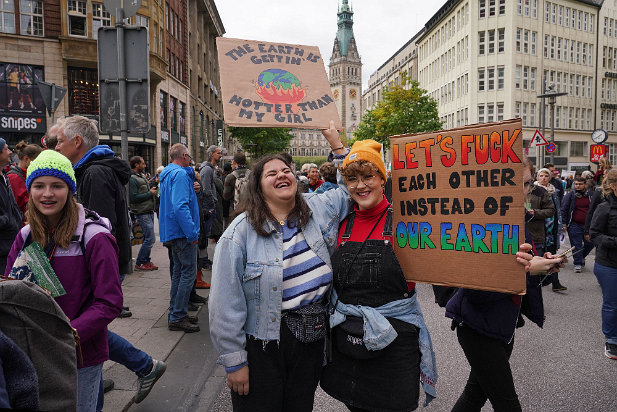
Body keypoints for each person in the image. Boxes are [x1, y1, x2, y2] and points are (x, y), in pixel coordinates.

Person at [209, 126, 350, 411]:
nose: (281, 175)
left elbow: (353, 187)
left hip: (311, 338)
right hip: (263, 343)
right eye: (271, 173)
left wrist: (336, 143)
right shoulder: (239, 233)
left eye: (285, 170)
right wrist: (235, 361)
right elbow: (225, 302)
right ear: (258, 186)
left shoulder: (317, 208)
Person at [319, 139, 438, 412]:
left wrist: (512, 262)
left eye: (368, 176)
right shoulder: (339, 224)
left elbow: (456, 261)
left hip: (395, 346)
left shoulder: (409, 223)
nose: (360, 185)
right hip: (348, 341)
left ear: (382, 179)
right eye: (352, 179)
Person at [54, 116, 166, 406]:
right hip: (102, 265)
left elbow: (97, 229)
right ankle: (138, 369)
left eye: (60, 141)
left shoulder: (93, 174)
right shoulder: (95, 169)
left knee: (89, 329)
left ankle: (143, 366)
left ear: (77, 142)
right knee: (91, 330)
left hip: (96, 268)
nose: (57, 146)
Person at [4, 150, 123, 411]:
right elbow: (10, 290)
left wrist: (69, 334)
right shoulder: (25, 235)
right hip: (32, 353)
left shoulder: (94, 237)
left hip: (79, 357)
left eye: (57, 185)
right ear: (30, 189)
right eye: (39, 186)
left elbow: (109, 302)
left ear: (69, 190)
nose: (47, 194)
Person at [446, 157, 566, 412]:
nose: (521, 190)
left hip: (502, 324)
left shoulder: (518, 219)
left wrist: (544, 266)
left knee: (474, 396)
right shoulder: (479, 223)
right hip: (478, 327)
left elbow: (525, 270)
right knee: (507, 405)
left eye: (525, 183)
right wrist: (524, 269)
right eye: (512, 183)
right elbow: (476, 291)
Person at [159, 143, 201, 333]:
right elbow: (180, 206)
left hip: (173, 231)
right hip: (183, 232)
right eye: (189, 157)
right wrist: (191, 232)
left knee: (178, 273)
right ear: (184, 155)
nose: (190, 160)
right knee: (187, 274)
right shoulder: (180, 175)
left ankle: (176, 313)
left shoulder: (168, 173)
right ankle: (177, 316)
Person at [589, 169, 617, 360]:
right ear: (614, 186)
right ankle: (612, 340)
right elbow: (594, 235)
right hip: (609, 264)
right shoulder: (604, 207)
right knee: (612, 304)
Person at [535, 167, 566, 291]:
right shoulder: (533, 191)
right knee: (540, 255)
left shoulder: (554, 191)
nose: (543, 178)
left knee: (553, 255)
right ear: (537, 178)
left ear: (550, 178)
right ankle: (538, 281)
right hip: (539, 228)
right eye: (541, 176)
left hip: (552, 227)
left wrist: (561, 224)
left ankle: (555, 282)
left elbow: (558, 210)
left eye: (546, 176)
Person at [129, 156, 158, 271]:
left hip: (148, 211)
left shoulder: (140, 176)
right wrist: (150, 193)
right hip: (142, 212)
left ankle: (146, 260)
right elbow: (133, 197)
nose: (145, 165)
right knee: (150, 239)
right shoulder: (132, 179)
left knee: (148, 238)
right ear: (136, 165)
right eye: (142, 163)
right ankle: (140, 262)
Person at [561, 176, 595, 273]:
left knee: (591, 243)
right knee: (576, 244)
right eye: (576, 184)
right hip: (574, 224)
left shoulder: (591, 195)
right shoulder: (570, 196)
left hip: (589, 225)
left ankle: (582, 256)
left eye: (580, 184)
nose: (578, 186)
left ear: (585, 185)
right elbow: (564, 209)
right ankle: (578, 263)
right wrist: (564, 223)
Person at [0, 138, 22, 273]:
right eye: (6, 149)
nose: (10, 152)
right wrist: (7, 220)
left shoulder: (4, 175)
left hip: (11, 248)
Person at [198, 145, 222, 269]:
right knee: (204, 235)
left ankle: (204, 259)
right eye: (218, 153)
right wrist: (213, 202)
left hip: (209, 206)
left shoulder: (210, 169)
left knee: (206, 234)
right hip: (207, 208)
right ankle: (203, 261)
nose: (220, 155)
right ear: (212, 154)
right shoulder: (207, 170)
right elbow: (206, 189)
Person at [7, 141, 42, 217]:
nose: (40, 164)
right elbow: (20, 205)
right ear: (26, 159)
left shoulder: (27, 175)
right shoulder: (14, 177)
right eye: (37, 161)